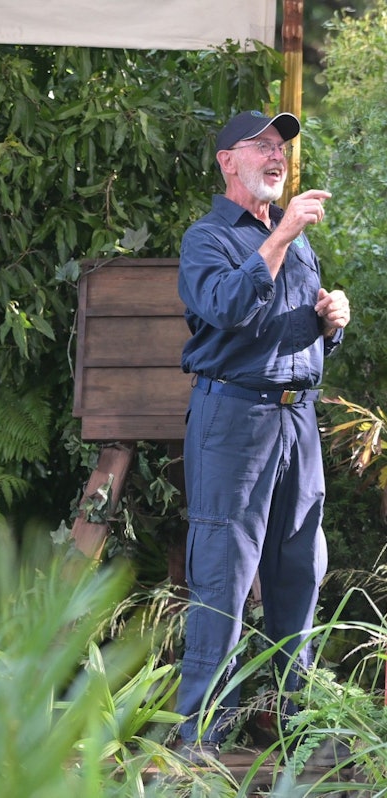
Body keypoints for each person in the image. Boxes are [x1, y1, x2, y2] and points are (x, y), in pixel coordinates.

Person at [175, 109, 351, 761]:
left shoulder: (292, 236)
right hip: (235, 422)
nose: (276, 155)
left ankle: (298, 729)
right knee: (223, 576)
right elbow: (226, 308)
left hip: (297, 419)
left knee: (298, 575)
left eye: (280, 146)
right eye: (261, 146)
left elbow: (291, 326)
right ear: (227, 161)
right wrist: (277, 242)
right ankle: (200, 738)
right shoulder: (207, 239)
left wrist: (332, 319)